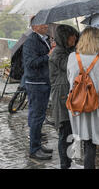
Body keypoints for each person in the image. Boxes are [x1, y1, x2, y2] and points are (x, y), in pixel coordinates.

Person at [67, 27, 99, 169]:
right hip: (95, 104)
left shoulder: (72, 57)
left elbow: (70, 79)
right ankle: (89, 165)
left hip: (77, 103)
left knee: (84, 137)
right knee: (92, 139)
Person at [23, 16, 55, 160]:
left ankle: (38, 145)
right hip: (36, 84)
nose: (46, 25)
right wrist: (48, 55)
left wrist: (51, 49)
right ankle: (34, 150)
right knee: (37, 117)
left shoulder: (45, 39)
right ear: (34, 26)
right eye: (43, 23)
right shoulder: (31, 41)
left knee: (40, 117)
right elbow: (31, 63)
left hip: (43, 82)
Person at [48, 24, 79, 169]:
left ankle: (68, 162)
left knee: (69, 131)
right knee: (64, 131)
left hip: (66, 94)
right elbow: (70, 66)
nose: (74, 38)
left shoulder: (66, 51)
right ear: (64, 38)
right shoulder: (58, 53)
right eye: (72, 36)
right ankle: (64, 165)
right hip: (61, 96)